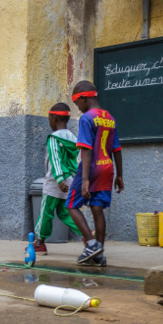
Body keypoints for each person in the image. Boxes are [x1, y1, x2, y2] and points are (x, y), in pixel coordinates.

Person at [67, 81, 124, 266]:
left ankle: (91, 244)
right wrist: (120, 175)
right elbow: (116, 149)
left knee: (71, 205)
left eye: (77, 105)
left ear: (83, 98)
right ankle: (99, 254)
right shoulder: (110, 117)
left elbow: (86, 150)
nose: (78, 109)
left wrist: (84, 179)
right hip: (108, 168)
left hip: (91, 168)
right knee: (98, 210)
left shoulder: (87, 118)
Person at [32, 102, 82, 254]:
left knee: (46, 211)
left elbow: (55, 159)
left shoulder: (54, 138)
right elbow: (77, 160)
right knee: (64, 212)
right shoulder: (73, 138)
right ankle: (87, 234)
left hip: (55, 181)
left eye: (49, 119)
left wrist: (59, 179)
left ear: (53, 118)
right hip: (70, 180)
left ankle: (39, 242)